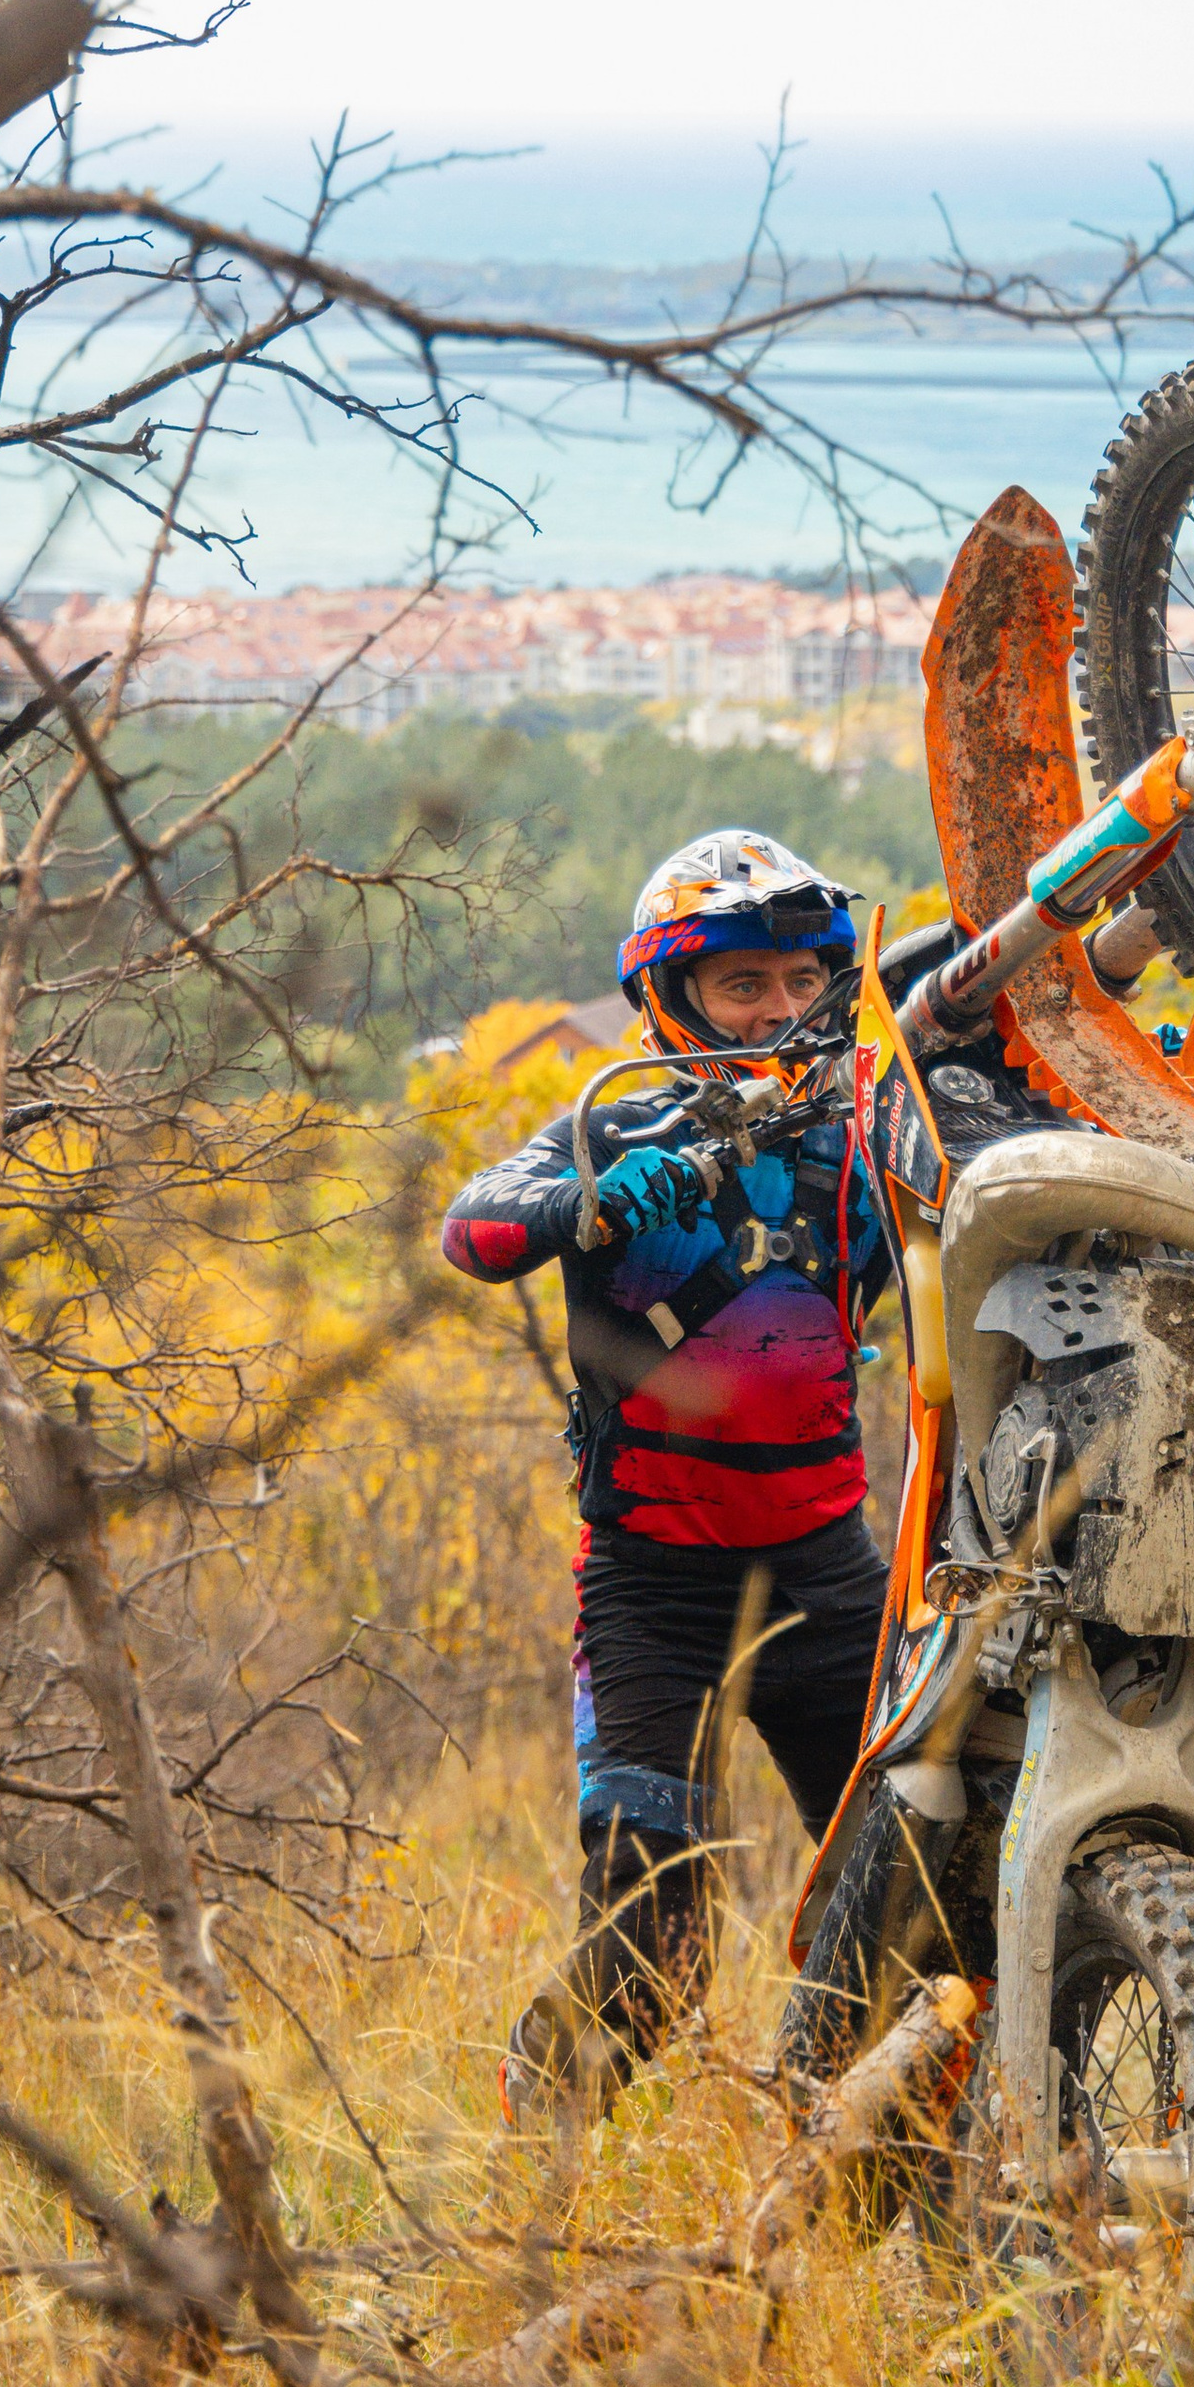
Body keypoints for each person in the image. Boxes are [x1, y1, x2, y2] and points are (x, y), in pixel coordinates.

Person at [441, 829, 892, 2120]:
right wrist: (588, 1202)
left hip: (831, 1577)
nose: (780, 1009)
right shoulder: (606, 1121)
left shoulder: (871, 1114)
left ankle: (873, 2165)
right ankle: (533, 2197)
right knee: (651, 1952)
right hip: (653, 1597)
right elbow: (470, 1230)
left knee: (910, 1902)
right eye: (742, 984)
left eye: (804, 980)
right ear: (669, 997)